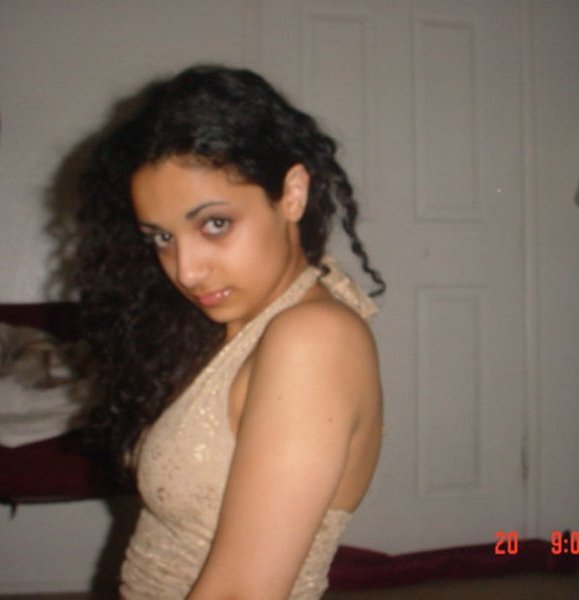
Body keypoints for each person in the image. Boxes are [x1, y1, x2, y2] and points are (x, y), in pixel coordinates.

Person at [77, 65, 384, 600]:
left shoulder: (313, 339)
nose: (186, 270)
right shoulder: (234, 324)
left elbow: (243, 591)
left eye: (215, 224)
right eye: (161, 238)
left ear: (292, 194)